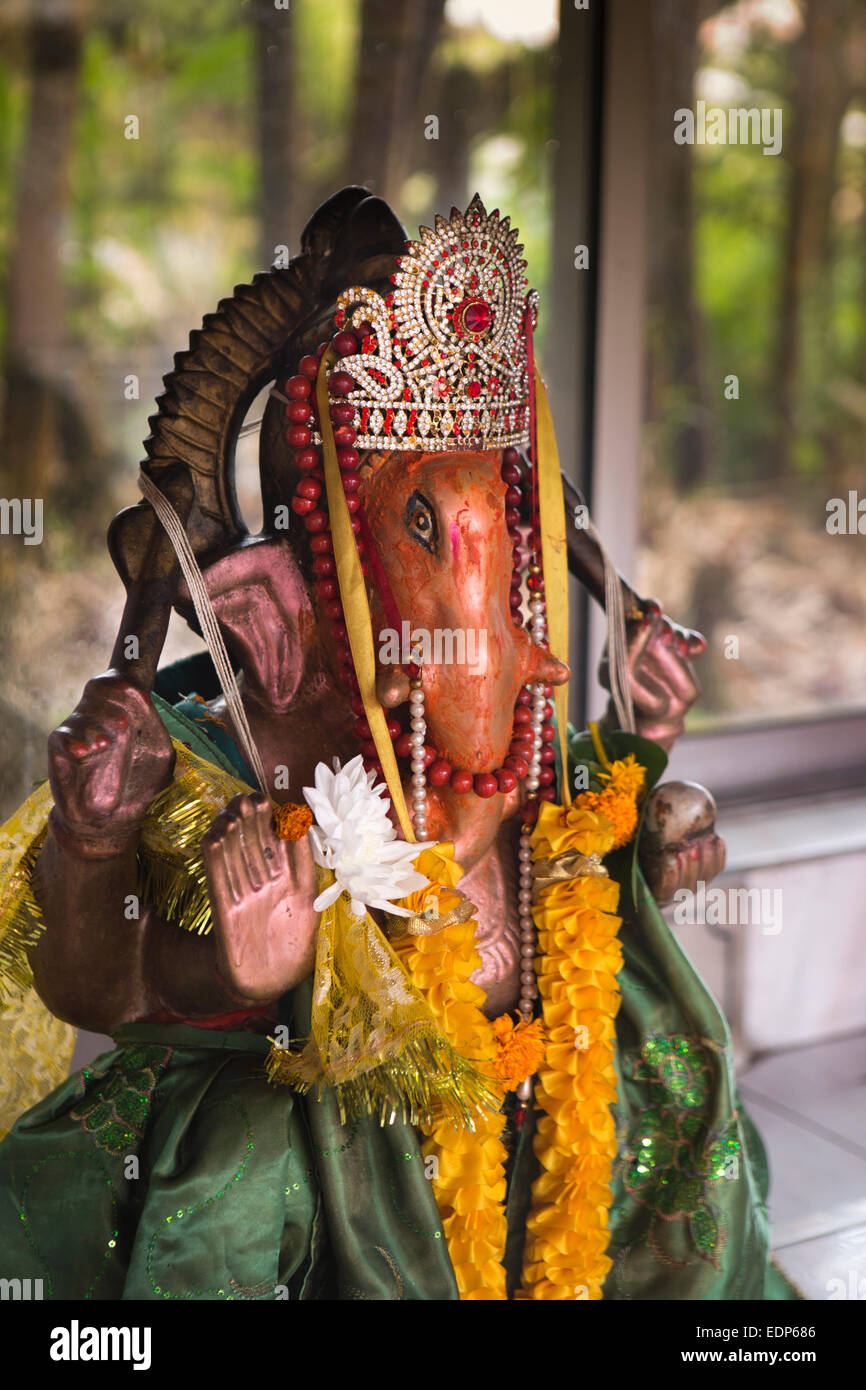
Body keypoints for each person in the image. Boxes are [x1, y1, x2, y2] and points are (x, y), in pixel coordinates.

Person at [0, 190, 797, 1300]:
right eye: (412, 533)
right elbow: (101, 985)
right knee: (238, 1158)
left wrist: (648, 793)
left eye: (499, 536)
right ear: (282, 594)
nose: (489, 628)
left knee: (675, 1068)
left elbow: (583, 856)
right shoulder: (231, 743)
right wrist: (136, 884)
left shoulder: (523, 701)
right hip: (339, 1142)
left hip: (546, 1107)